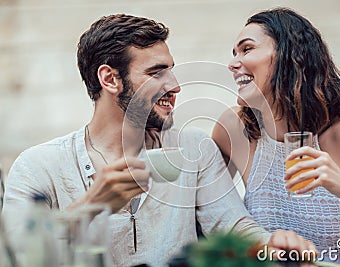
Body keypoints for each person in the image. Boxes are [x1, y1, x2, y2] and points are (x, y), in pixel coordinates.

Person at [1, 14, 316, 267]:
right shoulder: (38, 164)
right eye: (157, 73)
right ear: (110, 79)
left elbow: (234, 228)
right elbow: (15, 255)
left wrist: (272, 247)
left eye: (173, 71)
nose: (176, 86)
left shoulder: (195, 149)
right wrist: (92, 205)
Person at [213, 7, 340, 266]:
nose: (232, 63)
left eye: (246, 49)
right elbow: (207, 213)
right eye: (233, 53)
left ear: (288, 56)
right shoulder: (233, 128)